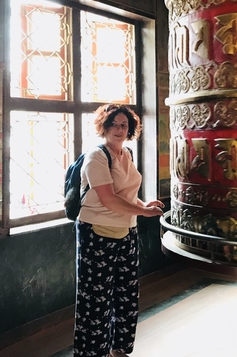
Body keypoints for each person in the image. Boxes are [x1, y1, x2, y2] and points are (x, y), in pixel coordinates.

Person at [74, 104, 164, 357]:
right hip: (97, 232)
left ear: (130, 129)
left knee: (126, 293)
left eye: (124, 125)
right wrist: (145, 213)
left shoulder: (126, 154)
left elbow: (126, 195)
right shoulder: (97, 156)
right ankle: (92, 353)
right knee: (96, 299)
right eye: (114, 124)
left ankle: (119, 348)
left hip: (126, 230)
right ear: (104, 126)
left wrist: (143, 205)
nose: (119, 129)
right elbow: (108, 199)